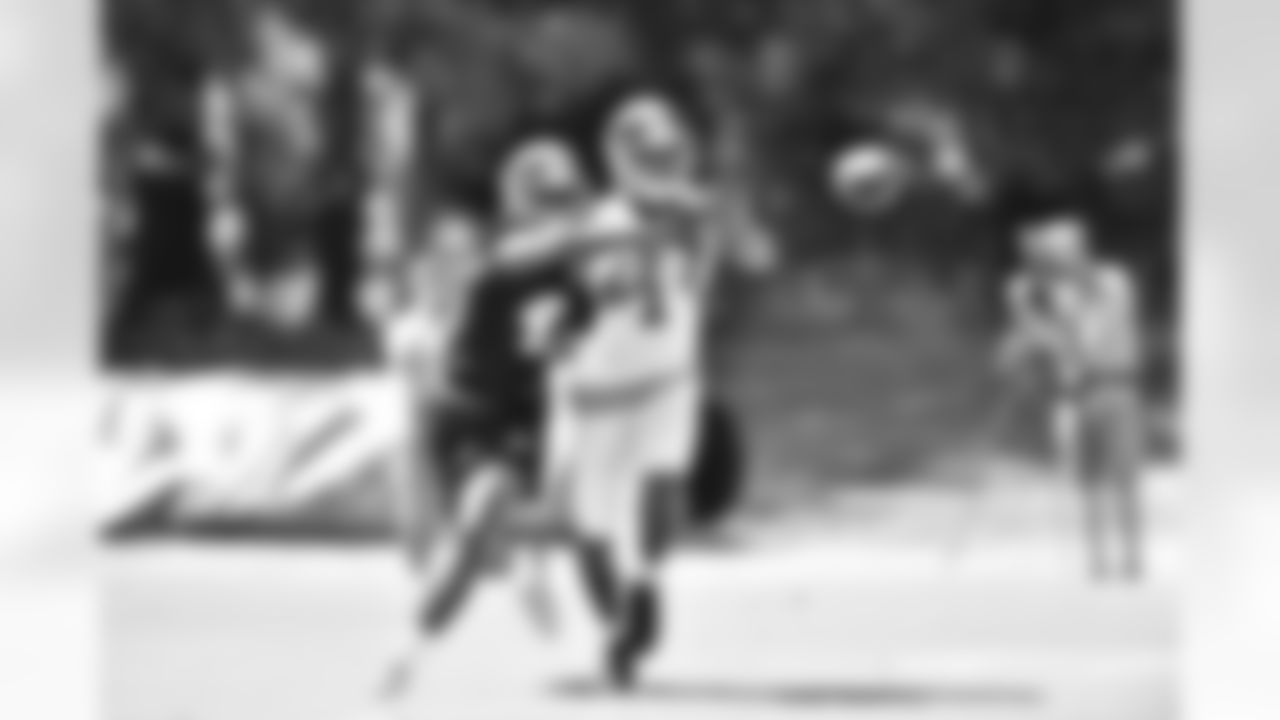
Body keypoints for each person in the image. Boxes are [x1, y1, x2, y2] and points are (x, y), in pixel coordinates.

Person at [379, 139, 595, 703]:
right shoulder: (499, 266)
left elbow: (582, 333)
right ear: (519, 204)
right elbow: (534, 259)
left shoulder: (574, 283)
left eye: (565, 198)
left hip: (517, 427)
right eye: (547, 199)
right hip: (458, 418)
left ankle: (409, 656)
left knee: (484, 515)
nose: (560, 210)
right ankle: (507, 579)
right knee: (445, 547)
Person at [998, 211, 1146, 581]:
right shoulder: (1061, 295)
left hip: (1116, 387)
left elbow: (1087, 342)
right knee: (1088, 482)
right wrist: (1021, 311)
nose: (1058, 263)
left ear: (1080, 251)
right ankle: (1097, 564)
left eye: (1061, 254)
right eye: (1054, 256)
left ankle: (1132, 562)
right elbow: (1051, 346)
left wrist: (1042, 322)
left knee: (1124, 480)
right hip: (1079, 395)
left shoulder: (1115, 281)